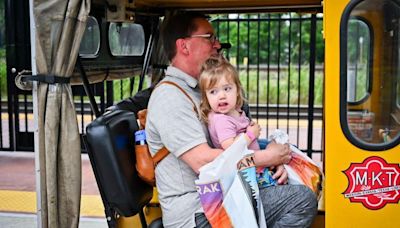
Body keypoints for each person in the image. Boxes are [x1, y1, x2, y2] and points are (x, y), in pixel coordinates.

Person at [146, 12, 317, 228]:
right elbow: (206, 162)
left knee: (300, 184)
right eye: (210, 38)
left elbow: (242, 137)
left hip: (229, 193)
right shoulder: (170, 97)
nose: (218, 45)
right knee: (301, 200)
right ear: (184, 46)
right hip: (199, 212)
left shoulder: (204, 90)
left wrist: (273, 159)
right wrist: (265, 158)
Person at [198, 56, 277, 188]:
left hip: (252, 167)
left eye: (227, 89)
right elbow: (230, 147)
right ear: (206, 97)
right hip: (244, 174)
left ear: (237, 91)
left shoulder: (235, 112)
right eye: (213, 92)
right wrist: (251, 135)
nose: (221, 95)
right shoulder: (221, 120)